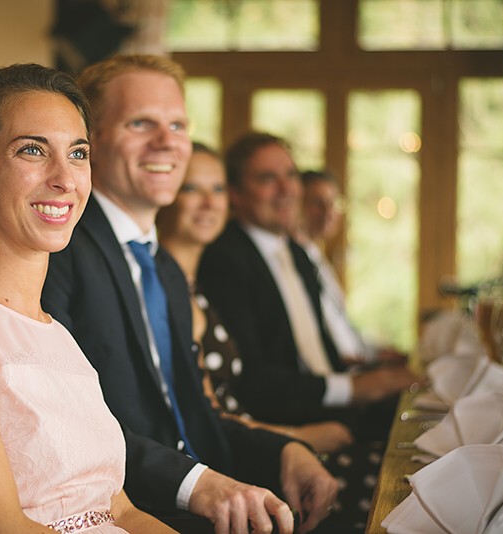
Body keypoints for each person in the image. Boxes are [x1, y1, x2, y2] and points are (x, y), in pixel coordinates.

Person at [42, 54, 337, 534]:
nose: (167, 142)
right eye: (141, 123)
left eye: (178, 125)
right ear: (89, 140)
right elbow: (69, 427)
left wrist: (286, 452)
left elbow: (193, 419)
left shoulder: (165, 269)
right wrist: (198, 485)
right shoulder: (60, 249)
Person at [0, 63, 175, 533]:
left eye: (78, 153)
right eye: (32, 150)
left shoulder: (56, 332)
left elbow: (121, 510)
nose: (65, 178)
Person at [197, 132, 420, 421]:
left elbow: (316, 353)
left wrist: (372, 373)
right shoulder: (224, 259)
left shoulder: (297, 253)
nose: (286, 189)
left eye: (290, 175)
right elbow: (252, 378)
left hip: (329, 404)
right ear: (235, 194)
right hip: (284, 422)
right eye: (267, 178)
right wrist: (353, 387)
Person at [156, 143, 354, 455]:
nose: (210, 203)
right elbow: (203, 417)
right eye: (192, 188)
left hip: (248, 437)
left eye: (217, 189)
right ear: (164, 194)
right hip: (224, 454)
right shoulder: (166, 285)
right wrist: (298, 438)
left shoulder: (193, 288)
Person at [297, 170, 406, 367]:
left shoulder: (316, 255)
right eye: (317, 203)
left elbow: (342, 325)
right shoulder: (297, 262)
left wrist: (374, 352)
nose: (329, 213)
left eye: (334, 203)